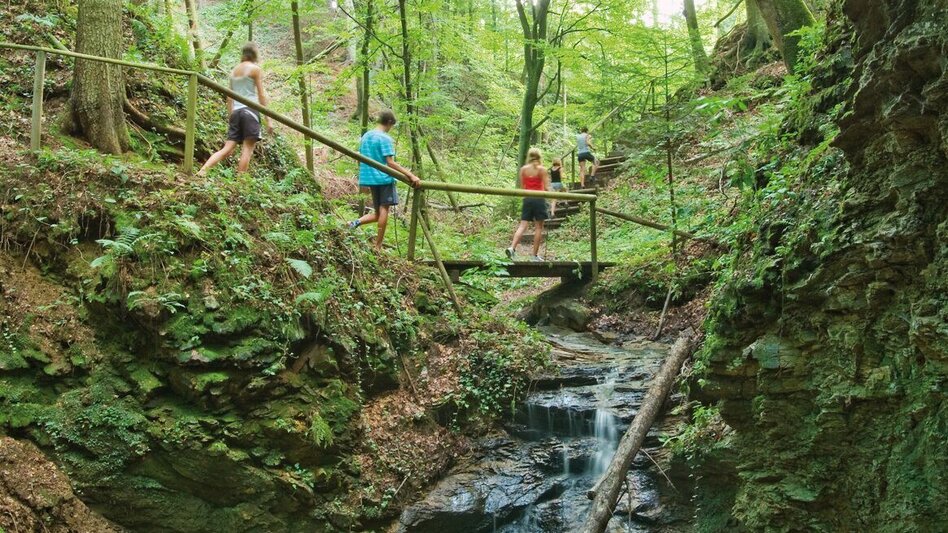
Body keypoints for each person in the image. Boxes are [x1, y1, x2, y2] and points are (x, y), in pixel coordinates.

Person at [348, 111, 422, 250]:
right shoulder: (384, 138)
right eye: (391, 126)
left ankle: (354, 223)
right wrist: (411, 175)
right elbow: (390, 163)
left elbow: (361, 156)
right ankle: (378, 246)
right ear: (389, 122)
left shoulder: (366, 136)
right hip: (383, 178)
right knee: (384, 210)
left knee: (377, 213)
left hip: (370, 178)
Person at [198, 42, 273, 176]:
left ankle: (203, 170)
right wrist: (269, 120)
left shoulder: (234, 71)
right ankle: (241, 181)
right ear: (255, 54)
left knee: (227, 149)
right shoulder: (255, 69)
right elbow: (261, 95)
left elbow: (229, 97)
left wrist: (231, 116)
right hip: (250, 111)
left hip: (236, 112)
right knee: (247, 149)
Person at [506, 148, 551, 262]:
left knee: (523, 225)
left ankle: (512, 248)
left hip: (527, 198)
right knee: (538, 227)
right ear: (539, 157)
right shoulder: (542, 170)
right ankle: (534, 256)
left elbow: (523, 187)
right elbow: (546, 187)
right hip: (539, 199)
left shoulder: (523, 170)